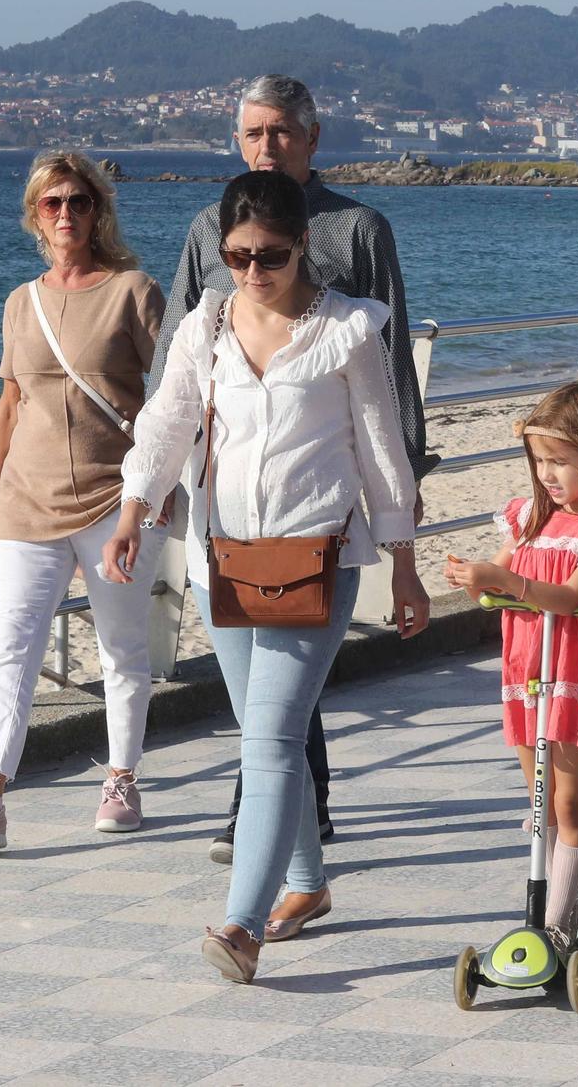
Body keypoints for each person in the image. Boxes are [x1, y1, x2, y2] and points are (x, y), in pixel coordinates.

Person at [107, 170, 427, 985]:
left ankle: (241, 923)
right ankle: (308, 883)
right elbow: (168, 417)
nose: (254, 270)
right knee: (263, 727)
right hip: (226, 559)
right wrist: (133, 509)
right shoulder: (205, 325)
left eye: (272, 255)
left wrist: (406, 564)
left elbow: (383, 448)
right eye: (239, 254)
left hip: (316, 556)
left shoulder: (349, 329)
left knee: (273, 736)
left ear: (301, 250)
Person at [154, 74, 430, 861]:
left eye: (280, 132)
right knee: (268, 677)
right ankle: (295, 833)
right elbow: (178, 353)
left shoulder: (359, 228)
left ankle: (266, 816)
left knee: (283, 667)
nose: (266, 146)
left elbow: (389, 362)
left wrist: (403, 484)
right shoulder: (211, 225)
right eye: (251, 134)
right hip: (228, 497)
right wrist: (161, 478)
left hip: (321, 498)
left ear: (312, 138)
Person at [0, 152, 167, 849]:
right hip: (27, 499)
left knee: (120, 647)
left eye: (77, 201)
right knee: (12, 647)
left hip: (115, 498)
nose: (65, 214)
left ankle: (121, 776)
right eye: (51, 202)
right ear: (35, 214)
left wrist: (161, 487)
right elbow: (10, 404)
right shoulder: (20, 301)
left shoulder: (133, 290)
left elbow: (173, 395)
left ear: (98, 211)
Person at [441, 381, 578, 954]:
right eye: (540, 460)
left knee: (568, 800)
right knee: (539, 799)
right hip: (527, 670)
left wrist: (506, 583)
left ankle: (552, 926)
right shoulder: (526, 518)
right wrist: (475, 577)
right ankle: (563, 908)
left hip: (571, 672)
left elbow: (571, 596)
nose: (547, 474)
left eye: (561, 461)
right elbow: (493, 579)